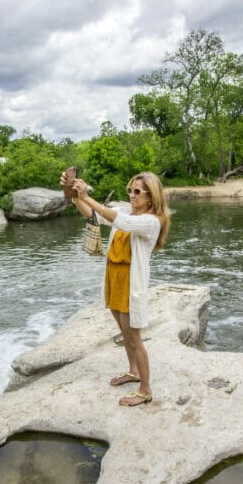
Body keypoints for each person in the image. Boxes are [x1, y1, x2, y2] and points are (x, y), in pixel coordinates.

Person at [67, 172, 170, 407]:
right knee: (124, 332)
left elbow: (118, 221)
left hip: (130, 282)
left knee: (134, 338)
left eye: (137, 192)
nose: (131, 196)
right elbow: (95, 216)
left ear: (151, 198)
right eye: (130, 191)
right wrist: (75, 197)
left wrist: (87, 196)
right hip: (114, 277)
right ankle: (133, 372)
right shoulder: (126, 212)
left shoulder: (151, 222)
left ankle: (145, 390)